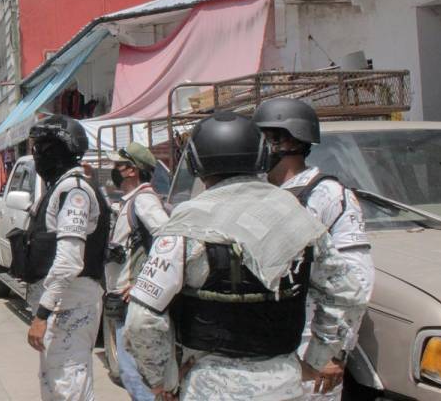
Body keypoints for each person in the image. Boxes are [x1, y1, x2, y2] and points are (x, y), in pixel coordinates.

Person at [124, 112, 369, 400]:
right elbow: (348, 294)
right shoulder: (297, 218)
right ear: (262, 156)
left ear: (195, 163)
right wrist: (315, 360)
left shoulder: (184, 227)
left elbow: (142, 320)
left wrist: (162, 380)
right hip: (285, 384)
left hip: (207, 385)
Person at [254, 98, 375, 400]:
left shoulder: (327, 195)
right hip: (260, 347)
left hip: (309, 346)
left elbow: (356, 279)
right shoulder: (256, 194)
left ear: (288, 141)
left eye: (264, 138)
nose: (256, 147)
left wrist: (334, 352)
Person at [22, 115, 109, 401]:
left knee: (67, 385)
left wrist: (43, 314)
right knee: (57, 383)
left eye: (40, 149)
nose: (36, 156)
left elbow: (70, 261)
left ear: (54, 151)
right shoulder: (61, 187)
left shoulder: (74, 192)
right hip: (64, 304)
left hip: (71, 304)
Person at [104, 142, 167, 401]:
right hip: (122, 300)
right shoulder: (130, 202)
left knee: (133, 375)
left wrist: (143, 283)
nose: (113, 171)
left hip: (134, 303)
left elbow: (168, 240)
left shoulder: (143, 201)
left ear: (131, 171)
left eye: (117, 166)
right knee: (133, 374)